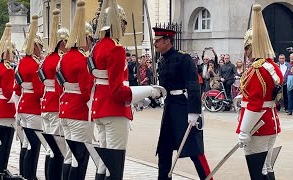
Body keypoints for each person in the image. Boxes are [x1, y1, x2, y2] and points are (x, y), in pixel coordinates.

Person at [90, 1, 165, 179]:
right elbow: (117, 90)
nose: (124, 29)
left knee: (103, 165)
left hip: (99, 108)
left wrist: (137, 97)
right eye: (123, 24)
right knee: (115, 164)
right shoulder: (115, 49)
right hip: (113, 110)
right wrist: (148, 91)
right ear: (117, 24)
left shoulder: (96, 47)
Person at [153, 27, 212, 180]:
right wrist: (151, 96)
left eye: (158, 40)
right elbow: (163, 87)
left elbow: (193, 85)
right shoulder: (162, 60)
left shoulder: (184, 58)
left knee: (195, 151)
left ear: (167, 41)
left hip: (184, 108)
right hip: (170, 107)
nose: (155, 43)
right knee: (164, 150)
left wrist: (194, 112)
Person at [237, 4, 283, 179]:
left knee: (257, 171)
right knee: (267, 167)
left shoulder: (258, 69)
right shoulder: (271, 66)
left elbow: (256, 103)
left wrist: (244, 130)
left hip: (258, 126)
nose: (246, 52)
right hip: (270, 121)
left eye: (247, 48)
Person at [57, 1, 94, 179]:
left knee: (70, 156)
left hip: (65, 109)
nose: (90, 44)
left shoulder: (63, 58)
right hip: (78, 112)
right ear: (84, 39)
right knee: (80, 157)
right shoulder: (82, 59)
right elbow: (86, 90)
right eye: (89, 39)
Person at [38, 9, 69, 180]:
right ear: (62, 42)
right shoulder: (59, 60)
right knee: (58, 150)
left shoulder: (46, 59)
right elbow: (59, 87)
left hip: (45, 103)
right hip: (56, 104)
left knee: (50, 149)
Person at [14, 15, 44, 179]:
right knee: (34, 145)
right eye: (39, 47)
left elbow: (16, 89)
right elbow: (39, 91)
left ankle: (24, 174)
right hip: (33, 108)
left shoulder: (21, 64)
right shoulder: (34, 65)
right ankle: (30, 176)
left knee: (26, 144)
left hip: (23, 106)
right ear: (34, 47)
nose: (40, 50)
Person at [0, 23, 21, 180]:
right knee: (5, 142)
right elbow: (10, 92)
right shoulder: (8, 70)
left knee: (0, 141)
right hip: (7, 108)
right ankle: (1, 171)